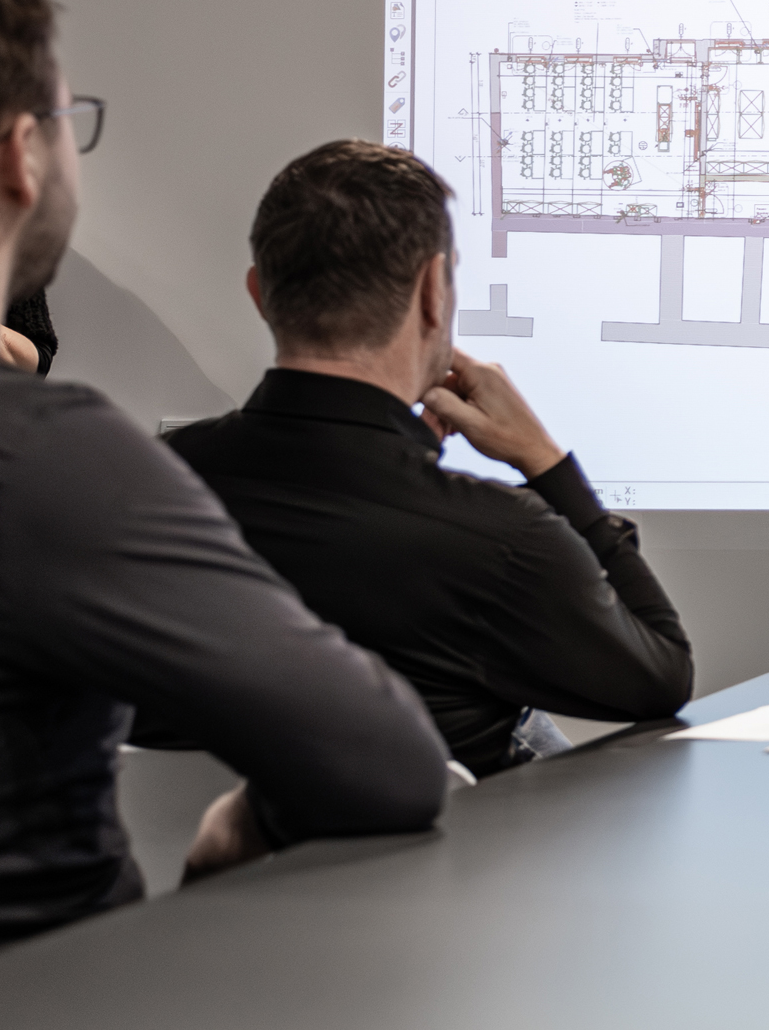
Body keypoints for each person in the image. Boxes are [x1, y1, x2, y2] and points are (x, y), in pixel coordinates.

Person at [0, 0, 447, 959]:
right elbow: (384, 762)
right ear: (20, 155)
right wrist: (241, 826)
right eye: (68, 122)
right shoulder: (47, 459)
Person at [168, 141, 694, 777]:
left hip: (186, 839)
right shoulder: (501, 539)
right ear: (432, 292)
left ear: (258, 291)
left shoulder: (148, 481)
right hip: (433, 842)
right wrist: (546, 463)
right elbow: (662, 675)